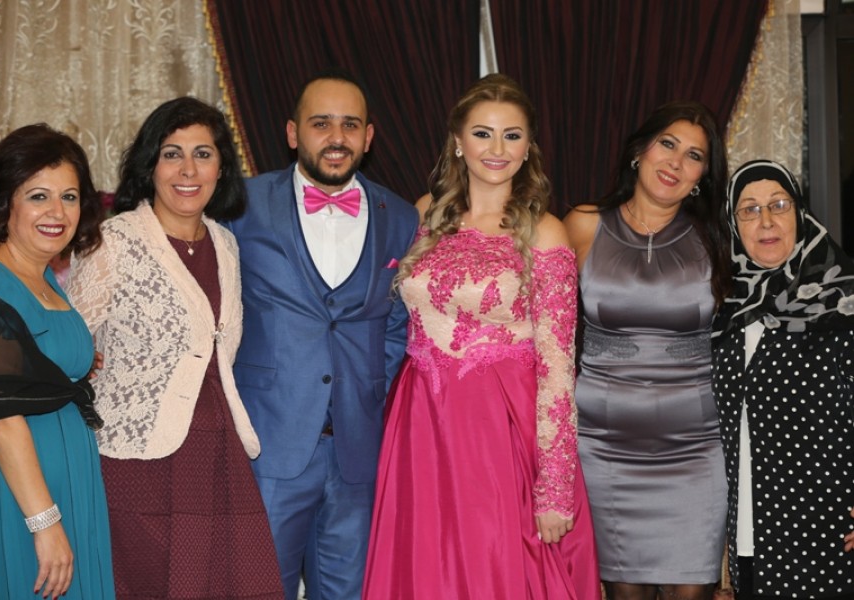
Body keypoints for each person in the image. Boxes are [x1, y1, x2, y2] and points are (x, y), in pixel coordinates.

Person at [361, 73, 601, 599]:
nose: (497, 149)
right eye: (482, 133)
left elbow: (558, 365)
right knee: (424, 566)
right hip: (421, 419)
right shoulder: (423, 214)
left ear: (528, 147)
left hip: (498, 426)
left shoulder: (545, 230)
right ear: (457, 141)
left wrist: (555, 486)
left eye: (512, 135)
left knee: (494, 565)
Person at [66, 97, 283, 598]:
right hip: (135, 460)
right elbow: (68, 346)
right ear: (150, 165)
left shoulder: (225, 244)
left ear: (221, 168)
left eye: (203, 154)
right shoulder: (113, 241)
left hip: (219, 453)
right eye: (172, 154)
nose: (188, 170)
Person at [225, 68, 419, 600]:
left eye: (350, 124)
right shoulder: (240, 204)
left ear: (369, 137)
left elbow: (399, 323)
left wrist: (370, 390)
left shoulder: (402, 218)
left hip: (359, 449)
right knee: (262, 589)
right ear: (293, 133)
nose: (337, 137)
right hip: (269, 445)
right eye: (321, 123)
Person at [563, 101, 732, 600]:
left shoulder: (717, 238)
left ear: (702, 176)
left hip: (696, 449)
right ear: (639, 150)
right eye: (668, 144)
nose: (676, 162)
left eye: (694, 155)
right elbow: (543, 329)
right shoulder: (583, 225)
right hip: (603, 448)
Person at [0, 124, 114, 599]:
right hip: (16, 492)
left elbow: (41, 370)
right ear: (5, 202)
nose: (57, 212)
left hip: (67, 481)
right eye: (38, 196)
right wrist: (44, 522)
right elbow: (2, 420)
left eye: (69, 197)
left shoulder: (43, 279)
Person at [712, 159, 854, 599]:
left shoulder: (843, 301)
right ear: (733, 225)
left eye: (778, 204)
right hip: (752, 534)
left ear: (800, 213)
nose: (766, 221)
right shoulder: (723, 311)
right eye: (749, 210)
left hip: (831, 530)